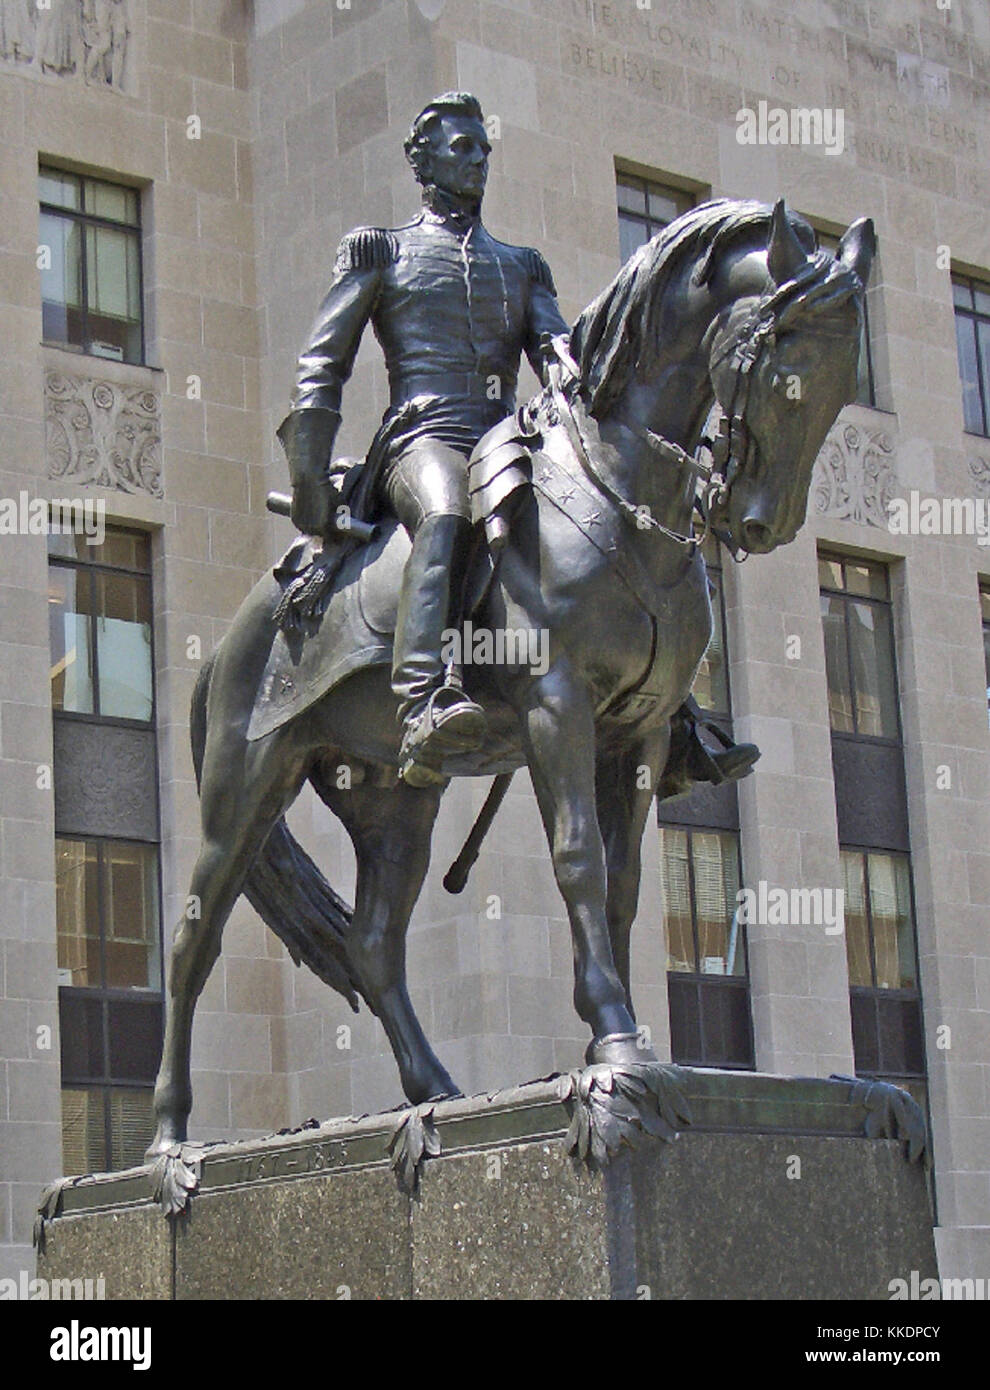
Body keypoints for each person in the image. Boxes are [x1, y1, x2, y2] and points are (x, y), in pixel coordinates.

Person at [279, 90, 758, 794]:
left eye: (483, 149)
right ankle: (423, 699)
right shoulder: (381, 252)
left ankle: (673, 713)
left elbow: (553, 344)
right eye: (461, 147)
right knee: (445, 514)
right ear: (422, 160)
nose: (477, 160)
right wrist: (309, 482)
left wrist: (576, 374)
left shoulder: (521, 264)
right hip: (422, 438)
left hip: (507, 440)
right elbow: (322, 365)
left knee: (609, 532)